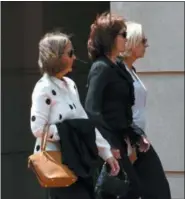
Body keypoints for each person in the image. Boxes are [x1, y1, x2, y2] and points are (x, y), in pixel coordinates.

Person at [30, 31, 119, 199]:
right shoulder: (43, 88)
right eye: (70, 53)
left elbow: (84, 123)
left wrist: (106, 153)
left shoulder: (70, 85)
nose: (74, 57)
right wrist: (67, 132)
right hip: (58, 163)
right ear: (54, 56)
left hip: (79, 159)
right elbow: (38, 128)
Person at [85, 12, 150, 199]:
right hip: (109, 141)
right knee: (125, 190)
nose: (126, 39)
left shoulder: (118, 66)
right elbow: (92, 110)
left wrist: (136, 135)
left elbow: (122, 109)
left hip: (121, 139)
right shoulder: (100, 68)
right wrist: (107, 146)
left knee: (127, 190)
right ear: (111, 38)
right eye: (123, 34)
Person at [120, 21, 171, 199]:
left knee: (152, 190)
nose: (146, 45)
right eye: (143, 40)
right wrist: (130, 145)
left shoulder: (130, 70)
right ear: (132, 42)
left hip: (138, 139)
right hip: (129, 142)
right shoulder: (119, 72)